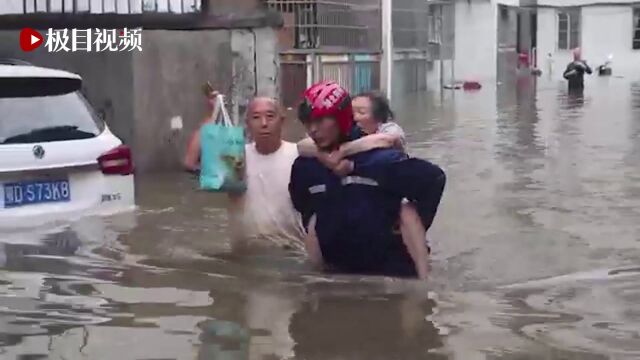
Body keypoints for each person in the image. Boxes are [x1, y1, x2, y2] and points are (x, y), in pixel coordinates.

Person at [289, 81, 446, 278]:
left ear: (342, 118)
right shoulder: (306, 166)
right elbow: (301, 202)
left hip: (392, 276)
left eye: (320, 121)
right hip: (336, 278)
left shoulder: (382, 159)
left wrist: (408, 228)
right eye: (308, 122)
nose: (313, 130)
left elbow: (434, 180)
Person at [184, 94, 305, 251]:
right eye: (256, 117)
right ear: (247, 124)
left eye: (270, 116)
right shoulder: (238, 157)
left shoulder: (298, 154)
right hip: (245, 254)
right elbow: (190, 163)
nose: (264, 123)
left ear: (282, 120)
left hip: (290, 250)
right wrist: (212, 115)